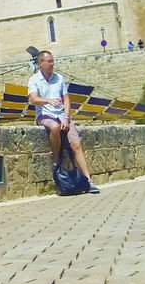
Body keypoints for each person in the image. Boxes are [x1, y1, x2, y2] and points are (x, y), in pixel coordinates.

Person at [28, 49, 100, 194]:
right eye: (49, 61)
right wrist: (48, 100)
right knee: (54, 127)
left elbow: (66, 100)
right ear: (40, 63)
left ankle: (88, 181)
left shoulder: (59, 78)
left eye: (52, 61)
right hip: (45, 115)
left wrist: (67, 118)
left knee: (76, 144)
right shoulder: (34, 80)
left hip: (61, 115)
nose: (52, 64)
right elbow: (33, 99)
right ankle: (56, 159)